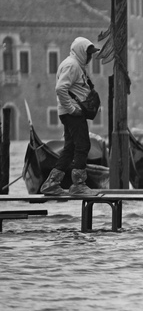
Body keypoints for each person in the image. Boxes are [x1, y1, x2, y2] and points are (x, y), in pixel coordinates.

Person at [40, 37, 100, 196]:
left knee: (70, 148)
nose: (90, 57)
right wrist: (72, 109)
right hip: (72, 114)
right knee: (83, 146)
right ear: (81, 52)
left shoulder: (76, 65)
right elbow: (60, 89)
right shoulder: (72, 65)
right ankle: (78, 185)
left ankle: (51, 183)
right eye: (89, 53)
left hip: (70, 113)